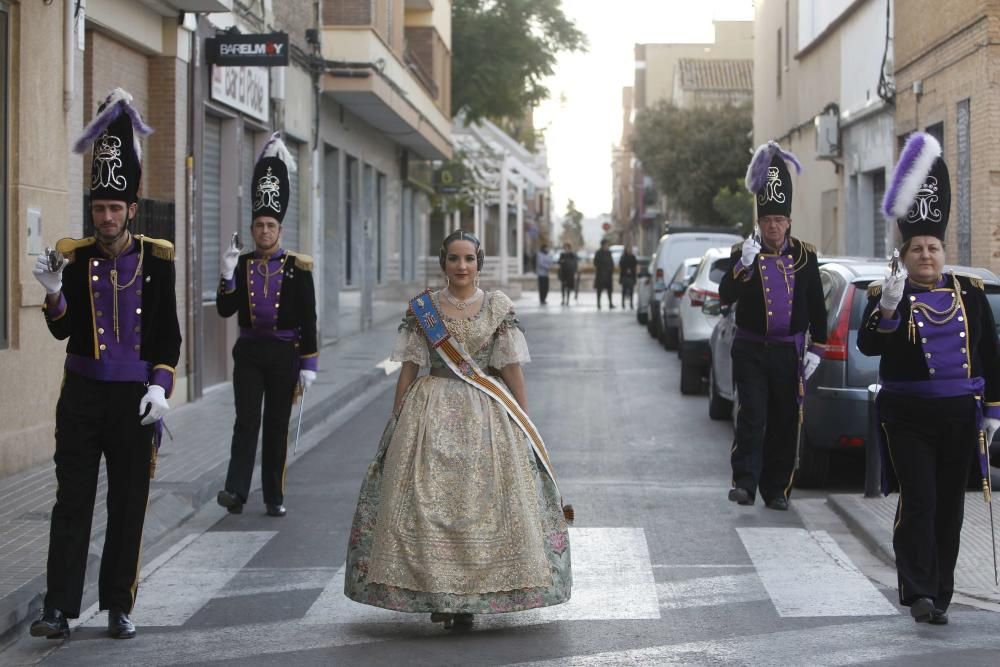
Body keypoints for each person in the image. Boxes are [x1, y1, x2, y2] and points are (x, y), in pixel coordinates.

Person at [344, 230, 572, 630]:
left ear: (479, 262)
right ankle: (439, 595)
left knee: (483, 506)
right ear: (443, 262)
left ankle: (470, 599)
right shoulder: (425, 309)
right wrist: (397, 418)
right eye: (454, 258)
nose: (462, 266)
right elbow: (409, 368)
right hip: (429, 411)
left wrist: (524, 422)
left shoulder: (498, 308)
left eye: (469, 258)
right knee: (427, 505)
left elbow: (512, 370)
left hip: (487, 414)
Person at [29, 89, 181, 640]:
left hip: (134, 402)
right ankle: (58, 608)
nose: (107, 217)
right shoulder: (74, 257)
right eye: (99, 208)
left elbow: (169, 337)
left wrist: (161, 388)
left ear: (132, 210)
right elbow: (64, 330)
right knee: (71, 502)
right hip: (82, 397)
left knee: (128, 504)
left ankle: (119, 604)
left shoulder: (158, 261)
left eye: (116, 208)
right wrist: (52, 294)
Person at [858, 132, 1000, 626]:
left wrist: (992, 414)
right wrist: (890, 307)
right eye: (917, 247)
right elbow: (869, 345)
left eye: (933, 247)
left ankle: (942, 589)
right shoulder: (888, 292)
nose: (926, 255)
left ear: (944, 250)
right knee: (919, 500)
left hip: (961, 416)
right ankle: (917, 589)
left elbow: (989, 356)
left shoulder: (971, 294)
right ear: (906, 252)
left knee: (950, 509)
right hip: (908, 417)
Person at [719, 141, 827, 511]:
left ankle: (777, 488)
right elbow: (724, 295)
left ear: (789, 222)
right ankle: (745, 484)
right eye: (767, 221)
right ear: (759, 222)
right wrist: (743, 267)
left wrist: (818, 348)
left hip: (787, 351)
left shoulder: (806, 256)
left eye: (779, 221)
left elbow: (817, 304)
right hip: (750, 349)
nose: (773, 227)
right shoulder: (743, 252)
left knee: (784, 420)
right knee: (753, 416)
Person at [216, 133, 318, 518]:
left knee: (276, 425)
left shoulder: (297, 267)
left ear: (280, 229)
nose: (263, 231)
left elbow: (308, 316)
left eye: (269, 225)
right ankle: (236, 492)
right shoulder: (240, 264)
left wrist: (308, 363)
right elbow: (226, 310)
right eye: (258, 224)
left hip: (283, 354)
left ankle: (273, 494)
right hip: (249, 352)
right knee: (246, 422)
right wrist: (226, 276)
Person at [593, 240, 614, 309]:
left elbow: (611, 262)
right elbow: (595, 262)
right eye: (606, 245)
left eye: (607, 245)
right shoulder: (598, 253)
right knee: (599, 290)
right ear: (602, 245)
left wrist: (610, 269)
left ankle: (610, 303)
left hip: (608, 274)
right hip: (600, 275)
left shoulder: (609, 253)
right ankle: (598, 304)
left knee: (609, 290)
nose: (607, 246)